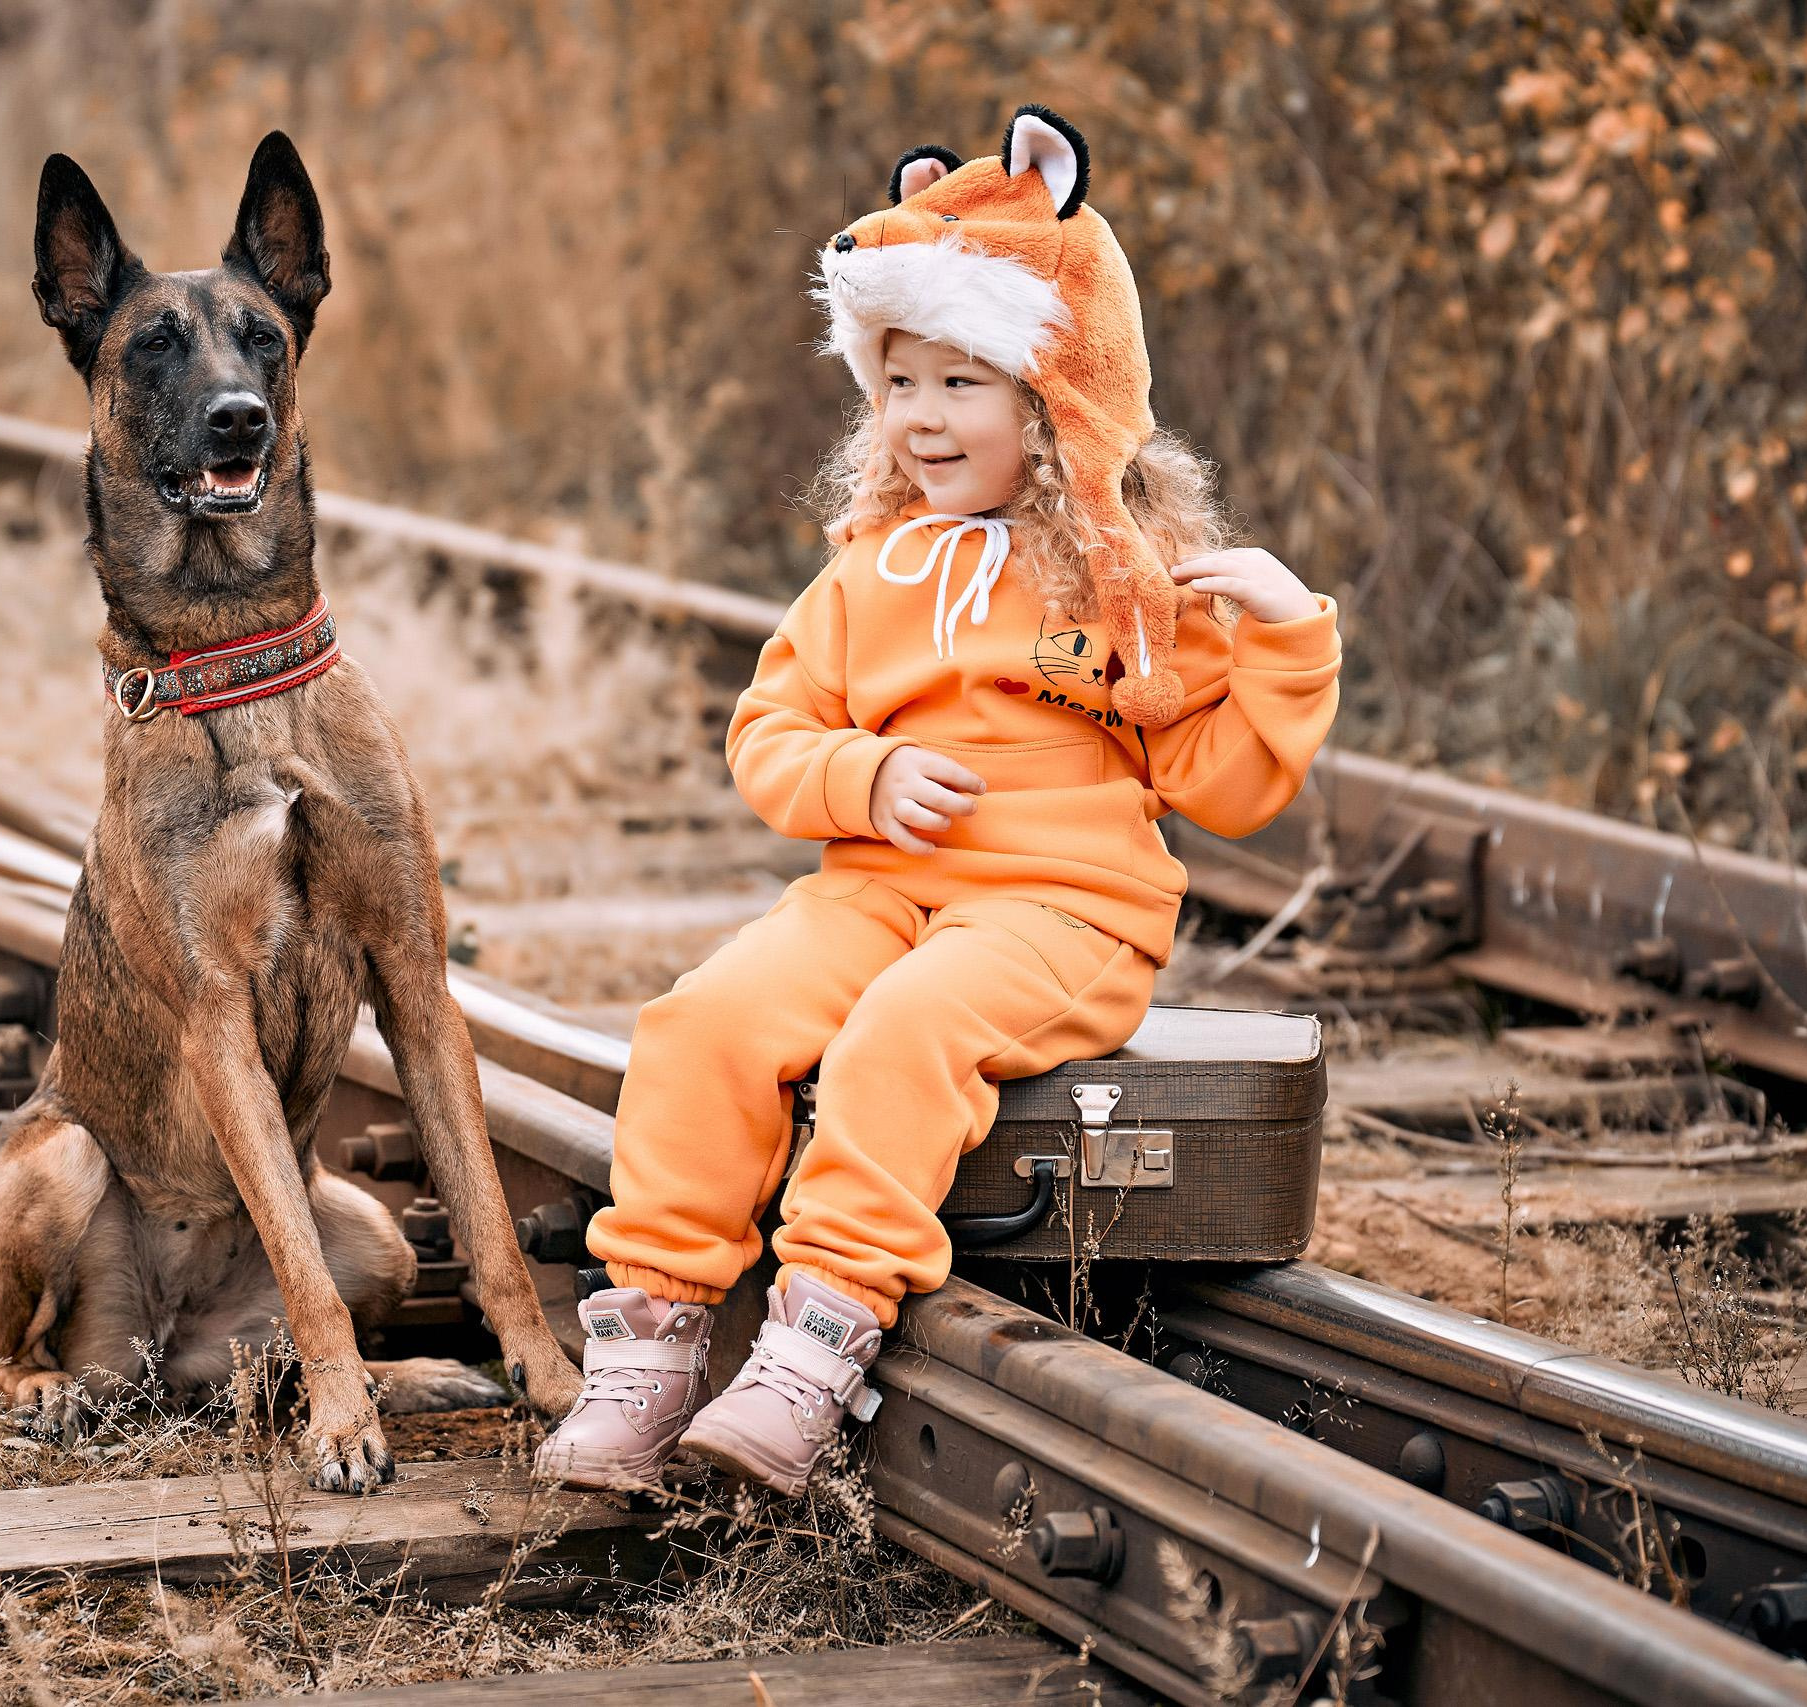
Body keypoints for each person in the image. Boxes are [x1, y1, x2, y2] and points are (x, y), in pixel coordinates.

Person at [534, 102, 1343, 1496]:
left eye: (965, 385)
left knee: (900, 1041)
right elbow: (770, 731)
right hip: (878, 887)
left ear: (1057, 399)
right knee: (705, 1021)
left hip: (1063, 913)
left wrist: (1286, 637)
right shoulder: (870, 573)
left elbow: (1225, 781)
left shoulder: (1124, 582)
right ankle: (653, 1341)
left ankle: (812, 1347)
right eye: (901, 383)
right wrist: (862, 771)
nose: (922, 417)